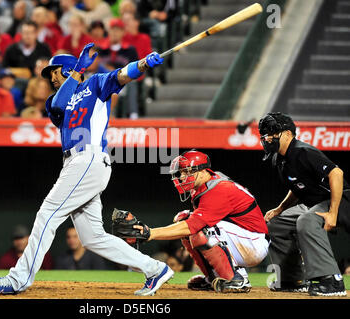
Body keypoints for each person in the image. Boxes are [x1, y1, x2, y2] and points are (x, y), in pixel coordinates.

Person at [0, 42, 173, 297]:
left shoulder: (95, 84)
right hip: (75, 163)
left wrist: (142, 64)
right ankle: (155, 269)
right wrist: (76, 72)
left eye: (55, 71)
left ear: (69, 70)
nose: (51, 77)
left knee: (47, 215)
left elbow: (122, 75)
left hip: (89, 158)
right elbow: (60, 105)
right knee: (93, 237)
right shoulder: (55, 102)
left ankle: (18, 279)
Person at [133, 150, 269, 293]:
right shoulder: (204, 185)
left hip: (254, 241)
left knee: (200, 229)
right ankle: (214, 277)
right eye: (181, 172)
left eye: (187, 171)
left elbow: (193, 226)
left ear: (203, 172)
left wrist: (151, 233)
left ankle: (236, 279)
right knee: (186, 221)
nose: (183, 176)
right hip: (240, 237)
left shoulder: (218, 189)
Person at [258, 112, 349, 297]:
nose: (268, 137)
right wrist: (280, 209)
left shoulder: (302, 151)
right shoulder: (280, 158)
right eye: (265, 134)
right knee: (276, 224)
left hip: (342, 201)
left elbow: (336, 174)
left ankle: (332, 280)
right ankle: (292, 279)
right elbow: (297, 186)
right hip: (315, 203)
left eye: (273, 132)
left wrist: (333, 212)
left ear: (288, 134)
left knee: (306, 220)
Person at [98, 18, 139, 119]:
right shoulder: (100, 49)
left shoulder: (130, 50)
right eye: (113, 29)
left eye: (118, 30)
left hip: (123, 82)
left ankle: (133, 116)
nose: (115, 33)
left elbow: (136, 70)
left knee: (132, 83)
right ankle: (108, 119)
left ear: (123, 32)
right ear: (108, 31)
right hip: (104, 82)